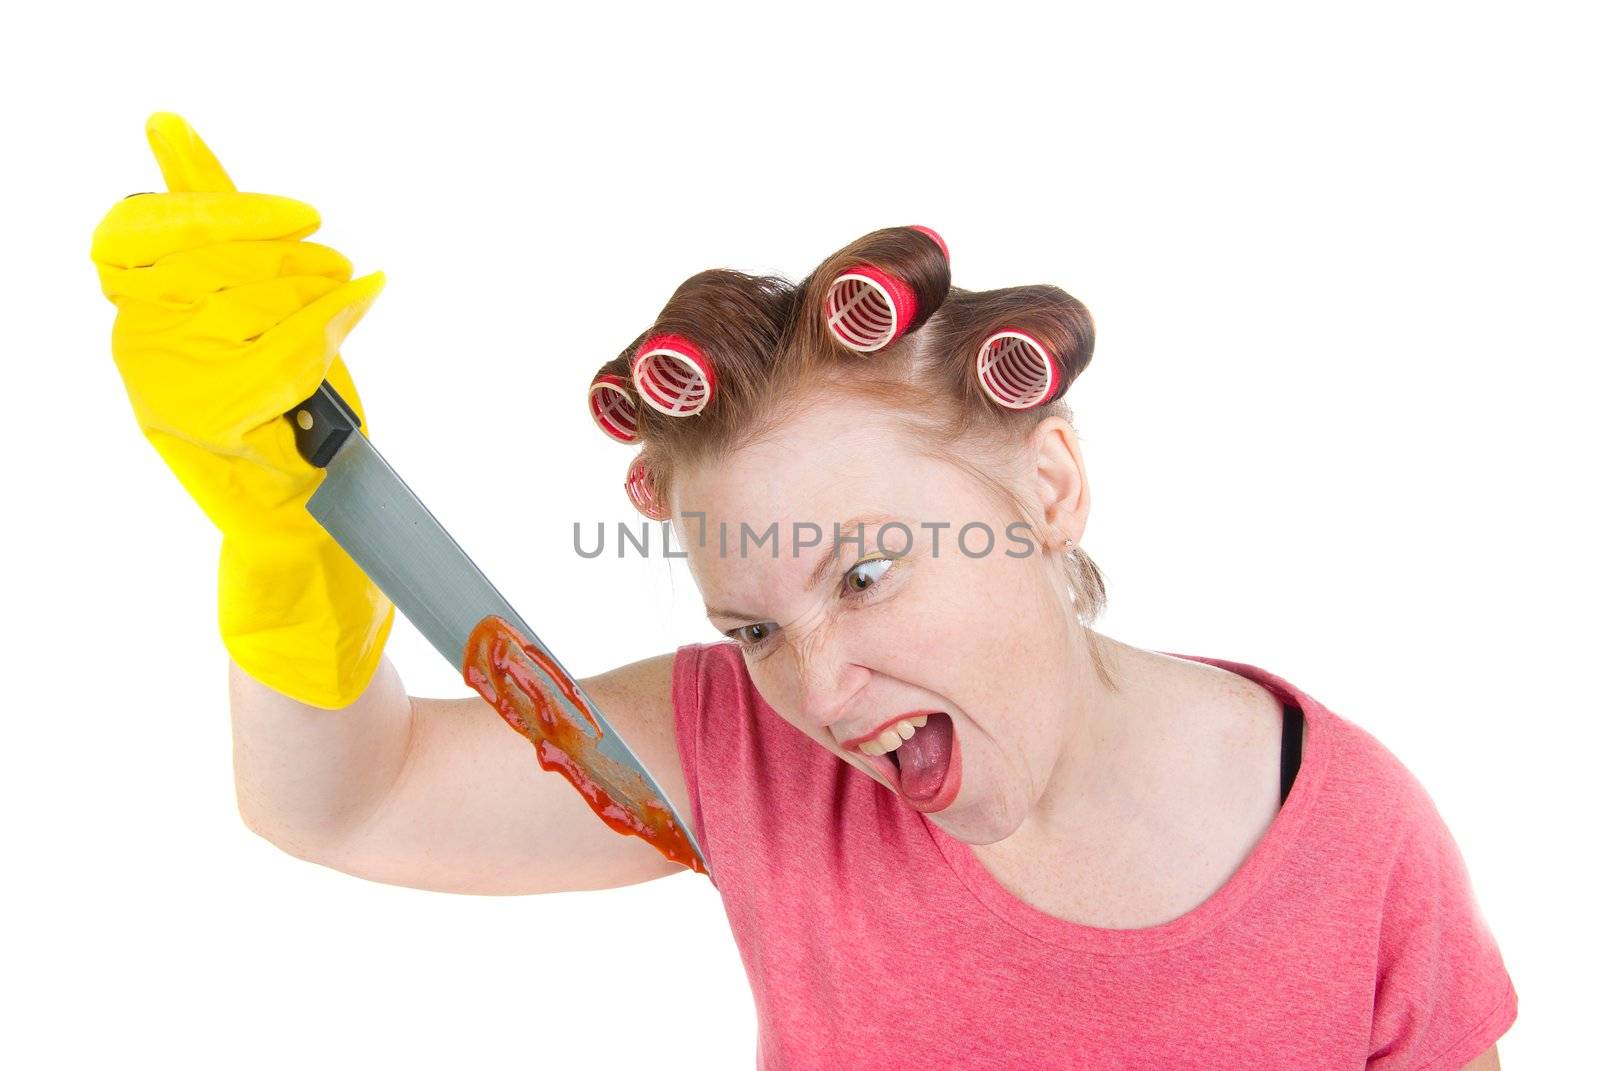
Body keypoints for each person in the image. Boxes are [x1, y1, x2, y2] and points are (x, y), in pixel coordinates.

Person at [92, 113, 1517, 1070]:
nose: (820, 693)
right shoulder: (754, 761)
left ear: (1049, 488)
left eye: (872, 570)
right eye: (754, 627)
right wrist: (295, 527)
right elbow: (345, 799)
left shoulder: (1357, 846)